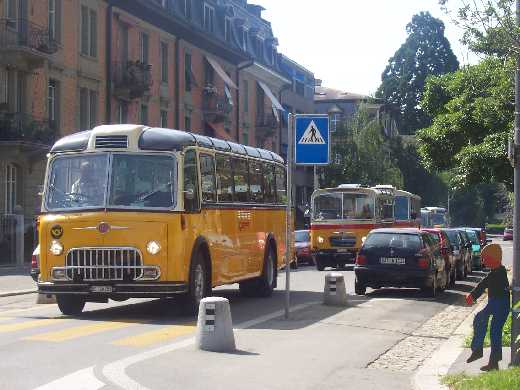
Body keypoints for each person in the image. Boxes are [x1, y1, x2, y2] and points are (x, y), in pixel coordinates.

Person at [465, 243, 511, 371]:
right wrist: (473, 296)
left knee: (492, 329)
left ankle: (480, 351)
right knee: (491, 329)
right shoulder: (496, 271)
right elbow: (484, 284)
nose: (483, 261)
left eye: (485, 258)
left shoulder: (498, 273)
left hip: (500, 305)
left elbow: (483, 284)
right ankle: (492, 361)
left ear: (494, 258)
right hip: (495, 303)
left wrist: (472, 296)